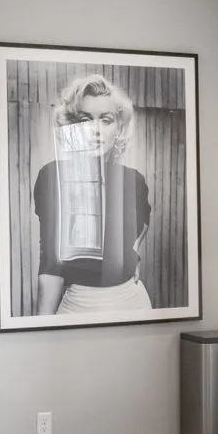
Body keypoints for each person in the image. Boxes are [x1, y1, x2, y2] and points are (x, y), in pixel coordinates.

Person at [32, 73, 153, 315]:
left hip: (133, 302)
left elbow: (144, 223)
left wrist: (132, 255)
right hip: (80, 305)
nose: (95, 130)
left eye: (106, 120)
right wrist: (40, 332)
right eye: (86, 120)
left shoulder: (133, 179)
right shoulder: (52, 176)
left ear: (118, 128)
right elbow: (51, 266)